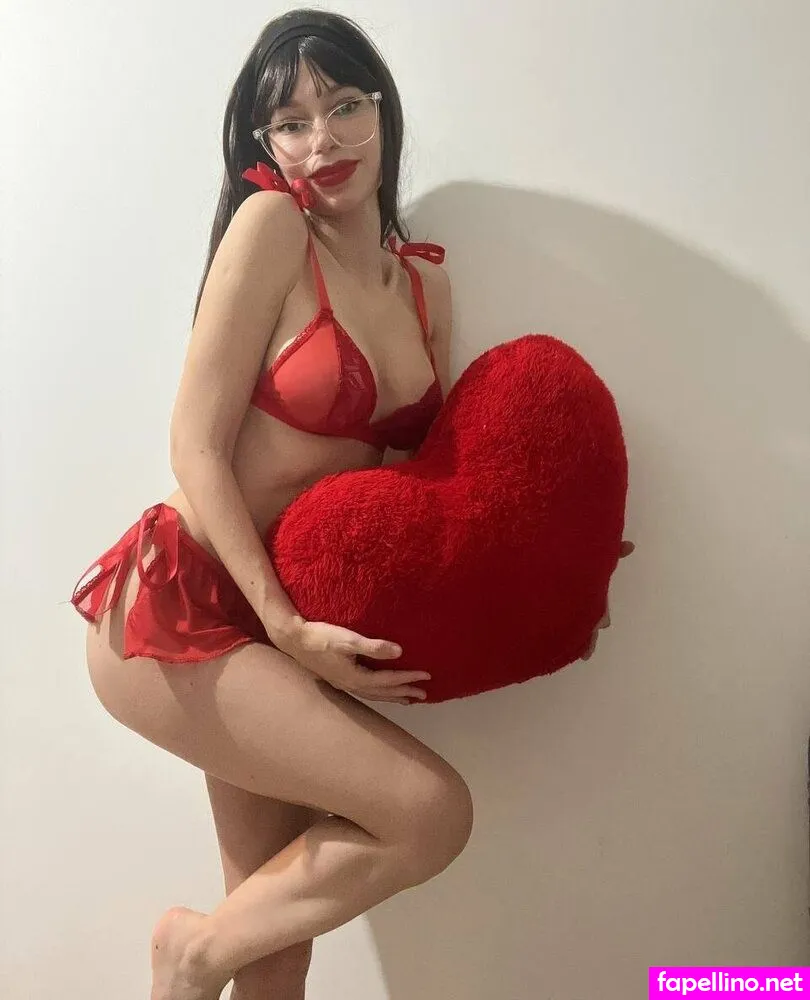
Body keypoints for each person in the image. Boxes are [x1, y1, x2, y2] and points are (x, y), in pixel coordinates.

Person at [70, 9, 622, 1000]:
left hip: (285, 629)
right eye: (290, 123)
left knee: (276, 951)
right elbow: (194, 444)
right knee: (428, 813)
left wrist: (558, 567)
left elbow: (439, 480)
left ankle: (204, 959)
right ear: (265, 143)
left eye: (344, 106)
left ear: (384, 112)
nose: (321, 141)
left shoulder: (426, 291)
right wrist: (284, 626)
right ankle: (186, 956)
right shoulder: (273, 230)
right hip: (181, 604)